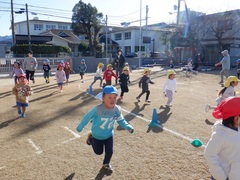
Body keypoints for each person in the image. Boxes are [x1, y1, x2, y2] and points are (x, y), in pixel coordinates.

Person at [76, 85, 134, 174]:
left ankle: (106, 164)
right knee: (98, 152)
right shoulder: (98, 109)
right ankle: (91, 139)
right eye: (109, 97)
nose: (112, 100)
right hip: (97, 135)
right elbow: (87, 117)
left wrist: (127, 126)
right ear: (103, 98)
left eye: (115, 97)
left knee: (109, 151)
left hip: (109, 135)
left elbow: (121, 120)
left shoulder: (117, 109)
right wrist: (80, 126)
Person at [204, 96, 240, 180]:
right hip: (227, 175)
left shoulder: (237, 127)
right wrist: (221, 177)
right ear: (236, 118)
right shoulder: (220, 135)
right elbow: (209, 154)